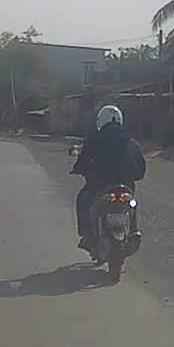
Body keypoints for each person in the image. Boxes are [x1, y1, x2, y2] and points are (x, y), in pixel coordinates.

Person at [70, 104, 146, 252]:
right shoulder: (131, 142)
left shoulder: (94, 140)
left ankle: (87, 235)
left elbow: (83, 161)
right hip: (125, 186)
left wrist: (78, 169)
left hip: (99, 185)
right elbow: (141, 168)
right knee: (131, 203)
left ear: (101, 120)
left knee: (83, 200)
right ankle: (133, 230)